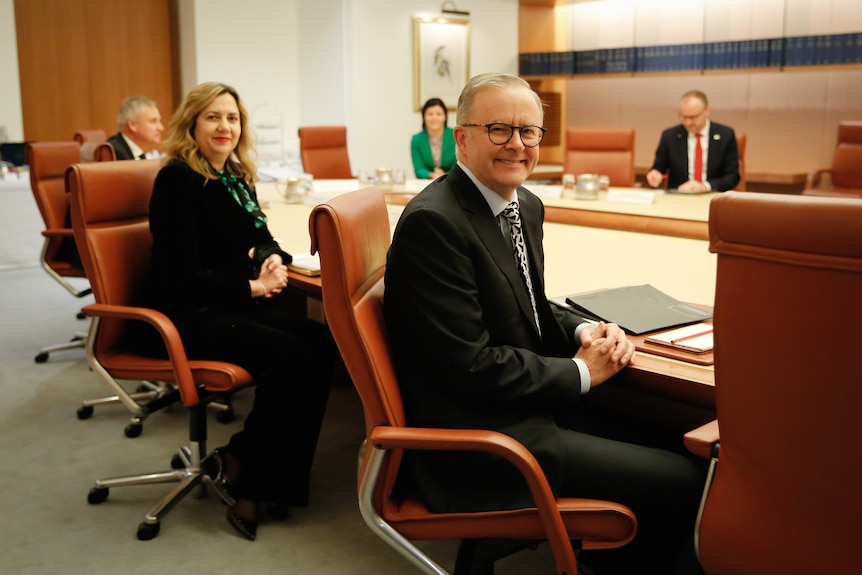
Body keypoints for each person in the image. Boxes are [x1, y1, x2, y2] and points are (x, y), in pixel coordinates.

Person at [384, 73, 704, 575]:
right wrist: (582, 373)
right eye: (498, 129)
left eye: (529, 131)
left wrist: (584, 331)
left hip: (523, 406)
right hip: (483, 436)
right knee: (682, 479)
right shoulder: (435, 222)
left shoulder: (522, 203)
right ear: (461, 138)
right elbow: (470, 366)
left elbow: (529, 301)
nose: (517, 144)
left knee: (675, 438)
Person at [137, 82, 335, 541]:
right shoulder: (177, 181)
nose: (224, 126)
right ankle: (252, 485)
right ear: (192, 124)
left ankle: (253, 462)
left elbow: (261, 233)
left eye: (232, 117)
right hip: (184, 315)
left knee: (321, 342)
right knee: (290, 354)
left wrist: (273, 258)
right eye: (212, 117)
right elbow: (182, 275)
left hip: (227, 302)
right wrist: (254, 285)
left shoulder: (235, 178)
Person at [646, 90, 739, 192]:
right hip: (679, 198)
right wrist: (654, 174)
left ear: (707, 111)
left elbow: (733, 176)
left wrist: (705, 186)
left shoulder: (726, 135)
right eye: (684, 117)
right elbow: (658, 168)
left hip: (713, 196)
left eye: (693, 117)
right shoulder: (670, 136)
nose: (688, 123)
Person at [105, 96, 164, 160]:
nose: (161, 128)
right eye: (153, 121)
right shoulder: (115, 153)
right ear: (133, 125)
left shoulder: (137, 153)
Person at [411, 97, 456, 179]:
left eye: (439, 114)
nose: (434, 118)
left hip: (452, 181)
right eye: (430, 114)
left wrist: (444, 175)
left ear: (445, 116)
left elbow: (460, 165)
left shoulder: (455, 136)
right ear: (424, 117)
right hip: (428, 183)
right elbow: (419, 169)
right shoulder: (416, 139)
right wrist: (432, 175)